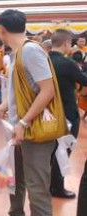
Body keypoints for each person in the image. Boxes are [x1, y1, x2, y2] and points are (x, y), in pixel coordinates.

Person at [0, 9, 57, 216]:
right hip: (19, 128)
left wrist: (24, 122)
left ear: (2, 31)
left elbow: (48, 90)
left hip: (34, 130)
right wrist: (2, 109)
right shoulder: (16, 54)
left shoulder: (30, 51)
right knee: (16, 180)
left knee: (36, 188)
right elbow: (20, 92)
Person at [48, 29, 87, 198]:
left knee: (51, 150)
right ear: (65, 43)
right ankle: (57, 187)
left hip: (47, 112)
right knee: (64, 149)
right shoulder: (67, 63)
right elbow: (84, 80)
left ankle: (49, 184)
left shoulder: (44, 61)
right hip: (68, 113)